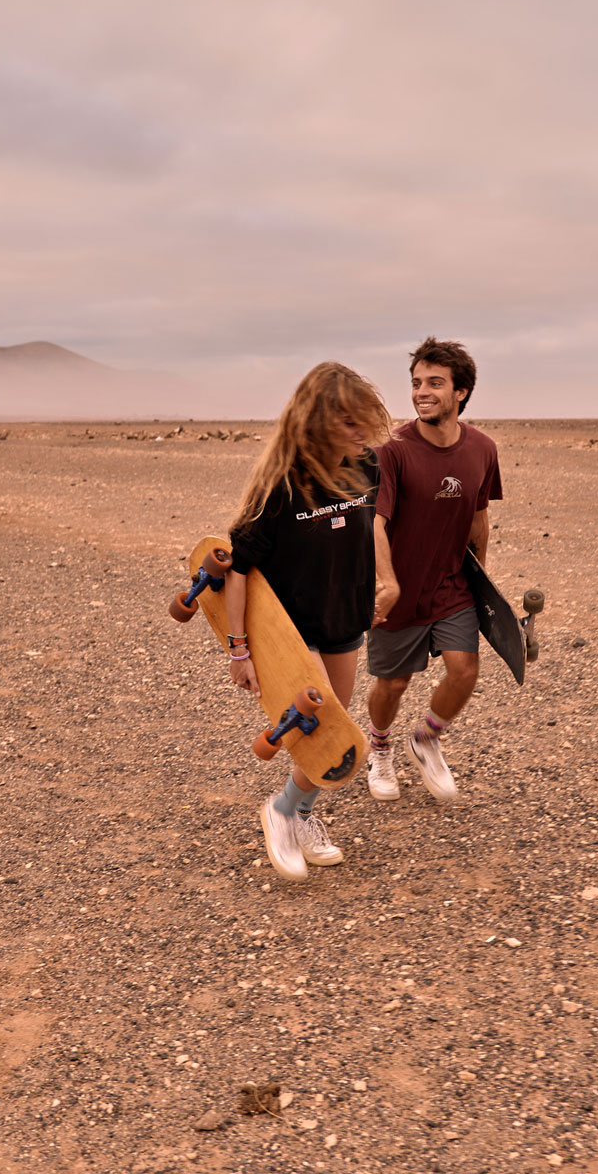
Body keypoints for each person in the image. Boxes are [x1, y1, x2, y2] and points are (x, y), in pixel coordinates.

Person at [224, 362, 394, 881]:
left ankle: (298, 810)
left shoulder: (367, 469)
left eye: (363, 417)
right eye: (346, 419)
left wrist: (384, 582)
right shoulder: (279, 486)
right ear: (315, 420)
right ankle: (280, 813)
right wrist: (239, 649)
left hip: (345, 618)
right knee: (321, 728)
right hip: (289, 631)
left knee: (335, 725)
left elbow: (370, 530)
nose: (360, 429)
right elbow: (237, 568)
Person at [365, 337, 503, 805]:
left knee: (465, 671)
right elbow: (375, 522)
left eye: (435, 383)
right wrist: (386, 582)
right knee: (393, 684)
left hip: (451, 585)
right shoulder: (393, 450)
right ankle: (379, 747)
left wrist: (481, 584)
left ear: (460, 392)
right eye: (416, 383)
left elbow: (478, 519)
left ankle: (426, 739)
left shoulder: (482, 449)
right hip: (397, 590)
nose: (422, 391)